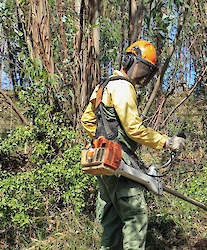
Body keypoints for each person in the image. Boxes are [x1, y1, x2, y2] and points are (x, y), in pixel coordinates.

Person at [81, 40, 186, 250]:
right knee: (135, 216)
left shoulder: (103, 85)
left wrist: (104, 139)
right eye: (142, 68)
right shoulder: (123, 86)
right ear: (130, 60)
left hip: (103, 160)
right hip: (119, 161)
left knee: (112, 221)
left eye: (147, 71)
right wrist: (166, 142)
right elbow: (134, 129)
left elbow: (87, 120)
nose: (142, 76)